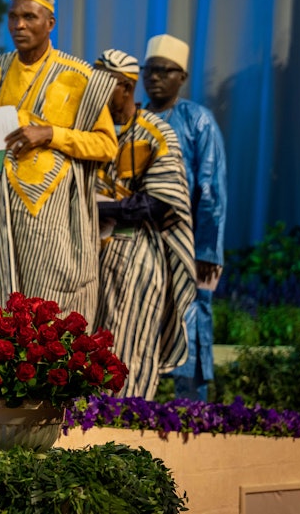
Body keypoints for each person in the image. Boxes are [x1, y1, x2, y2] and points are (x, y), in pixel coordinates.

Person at [0, 0, 118, 315]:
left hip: (54, 219)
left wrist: (50, 134)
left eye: (30, 17)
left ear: (50, 23)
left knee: (50, 314)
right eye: (13, 16)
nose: (19, 25)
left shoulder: (79, 77)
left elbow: (106, 145)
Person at [91, 48, 196, 400]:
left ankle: (125, 429)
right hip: (90, 254)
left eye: (100, 84)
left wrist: (102, 209)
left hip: (135, 253)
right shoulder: (87, 130)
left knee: (129, 346)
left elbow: (157, 202)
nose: (92, 91)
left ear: (124, 86)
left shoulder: (155, 132)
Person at [142, 33, 227, 402]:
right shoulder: (138, 120)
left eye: (165, 71)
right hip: (146, 245)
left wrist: (207, 249)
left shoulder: (198, 121)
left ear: (183, 77)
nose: (156, 77)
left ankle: (194, 412)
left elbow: (211, 189)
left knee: (192, 323)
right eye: (150, 70)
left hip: (192, 246)